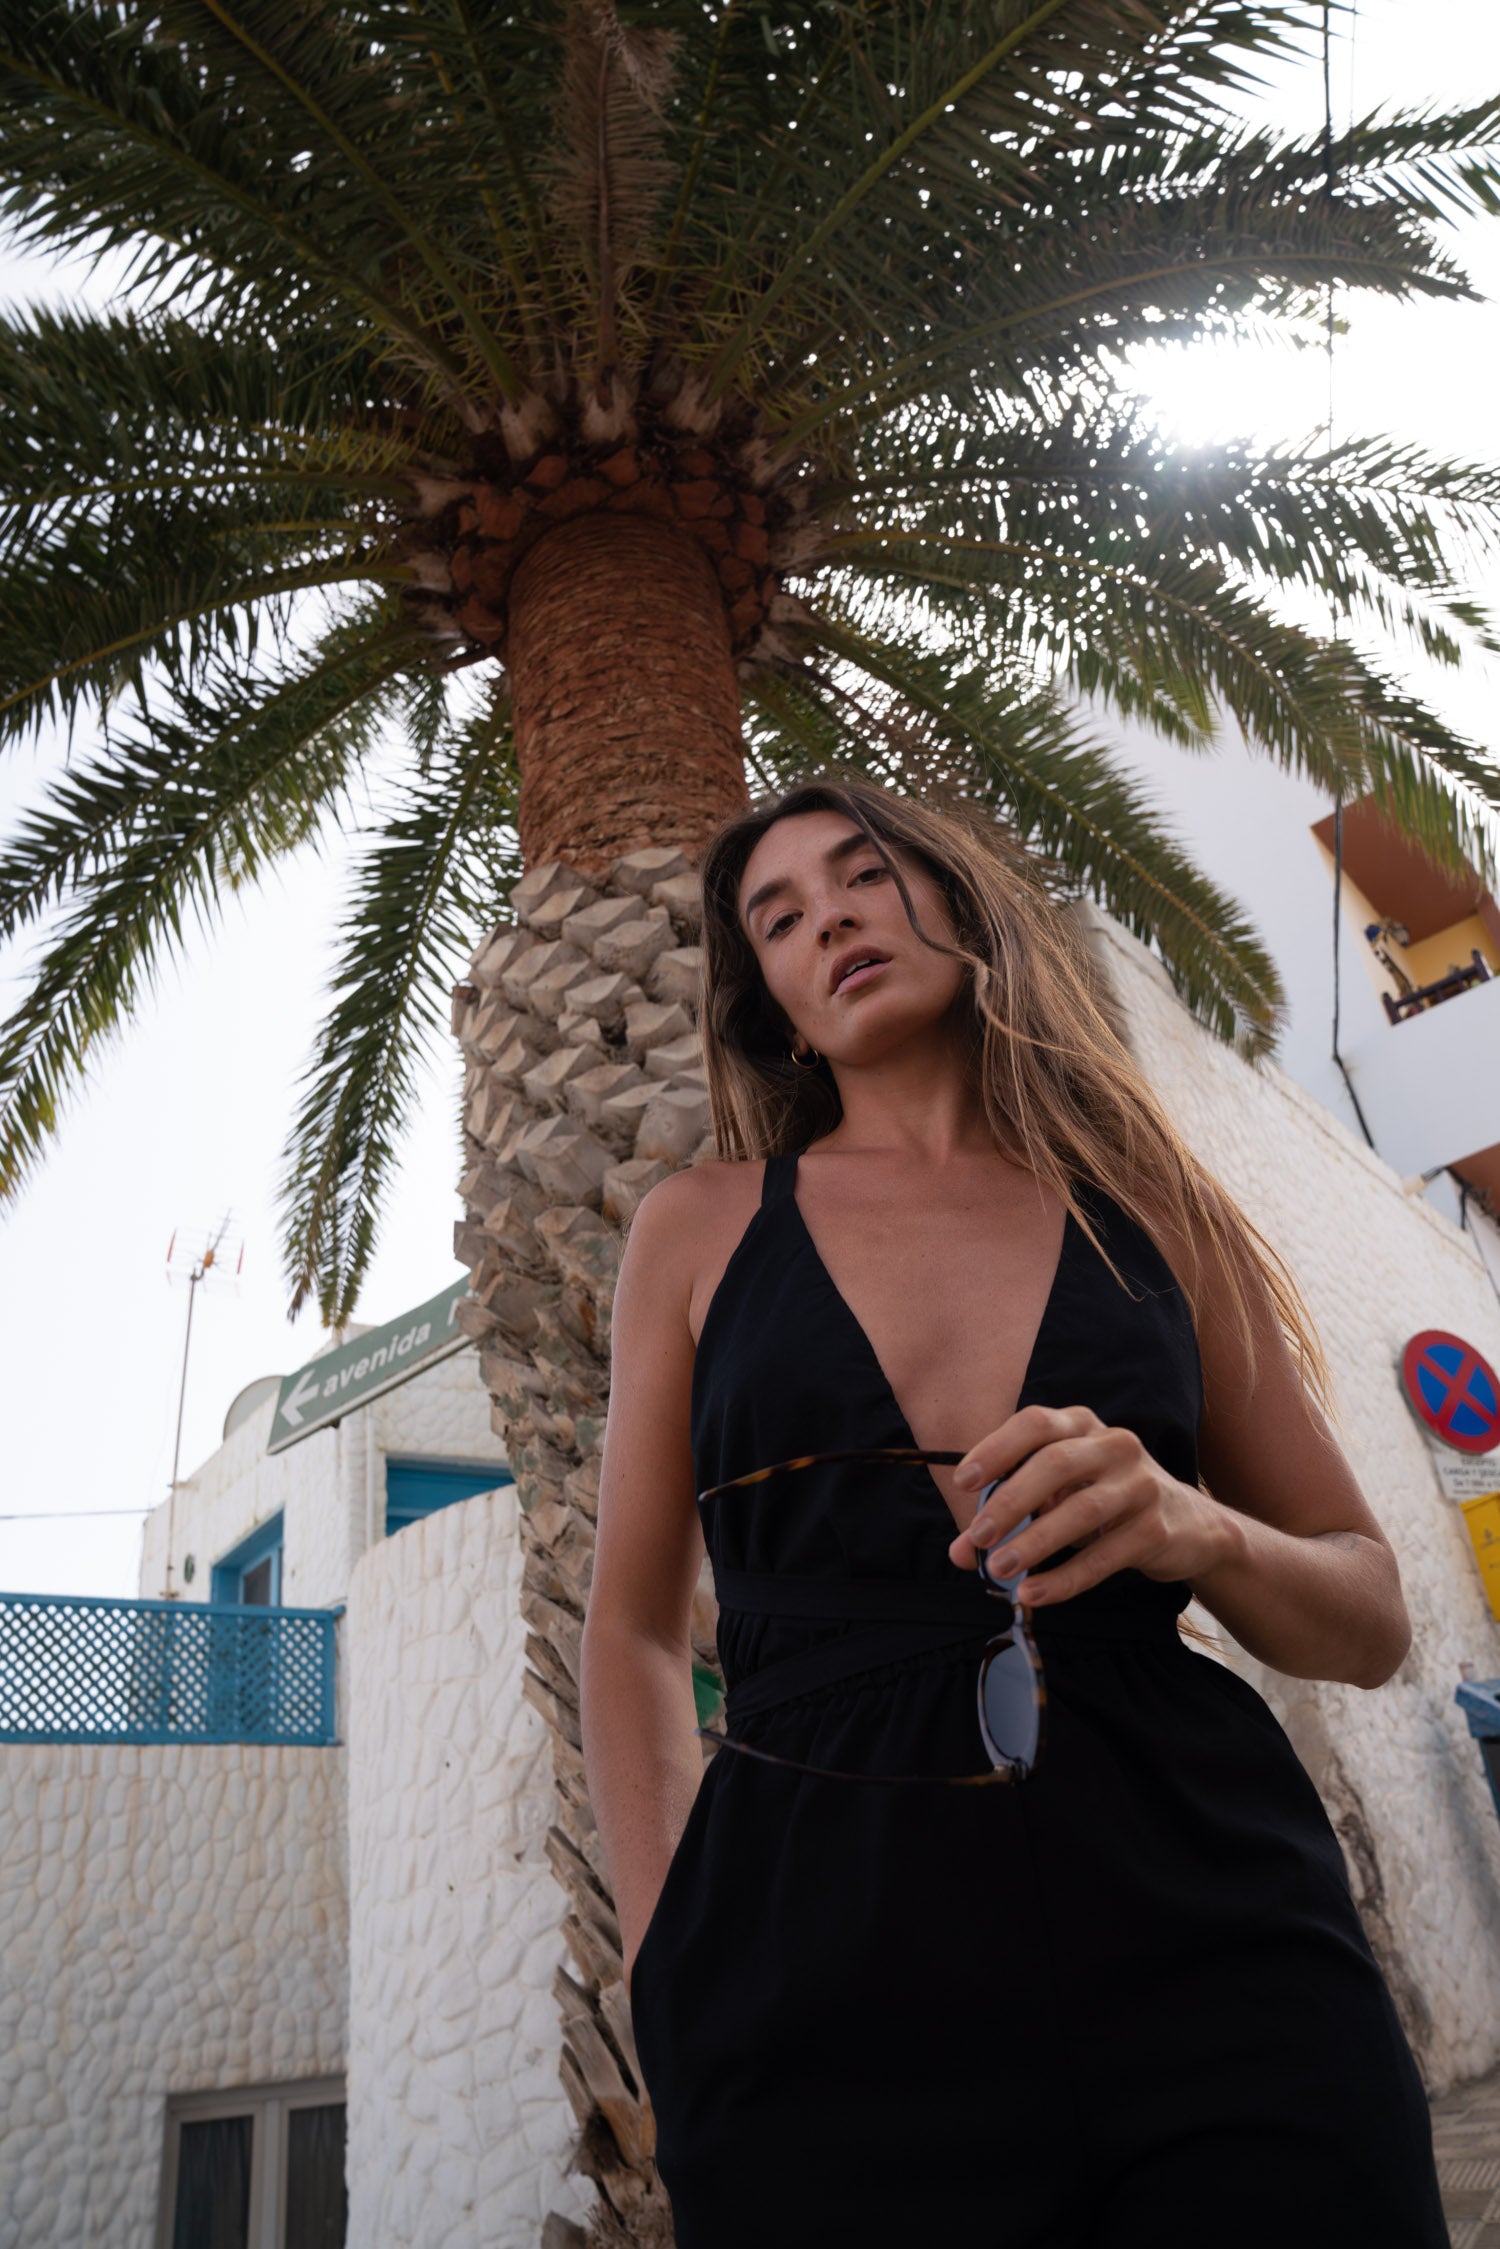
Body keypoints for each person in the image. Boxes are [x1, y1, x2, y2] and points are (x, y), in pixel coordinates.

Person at [579, 777, 1448, 2248]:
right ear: (777, 1010)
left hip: (1212, 1936)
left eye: (863, 873)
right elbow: (634, 1631)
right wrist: (673, 1965)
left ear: (962, 902)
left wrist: (1196, 1527)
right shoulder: (699, 1229)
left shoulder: (1153, 1209)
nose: (830, 918)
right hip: (819, 1974)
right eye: (779, 919)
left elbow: (1370, 1617)